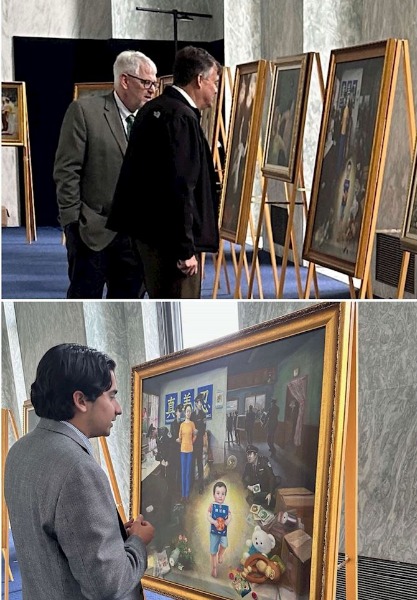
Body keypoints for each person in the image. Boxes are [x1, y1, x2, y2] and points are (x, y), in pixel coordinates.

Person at [4, 343, 155, 599]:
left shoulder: (19, 451)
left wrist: (115, 538)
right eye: (111, 396)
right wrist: (138, 541)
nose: (118, 408)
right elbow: (107, 585)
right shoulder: (77, 470)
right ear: (81, 400)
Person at [108, 46, 222, 298]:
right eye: (214, 82)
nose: (216, 89)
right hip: (170, 245)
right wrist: (185, 249)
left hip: (145, 237)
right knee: (182, 303)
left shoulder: (152, 109)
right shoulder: (181, 117)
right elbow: (180, 188)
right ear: (199, 80)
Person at [54, 51, 157, 299]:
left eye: (154, 83)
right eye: (146, 82)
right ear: (124, 80)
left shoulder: (154, 119)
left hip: (137, 240)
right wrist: (72, 225)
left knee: (130, 303)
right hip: (93, 233)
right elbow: (66, 170)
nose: (152, 89)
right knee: (84, 297)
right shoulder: (84, 112)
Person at [206, 481, 231, 578]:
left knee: (224, 544)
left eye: (223, 494)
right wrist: (214, 521)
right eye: (218, 493)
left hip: (223, 532)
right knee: (213, 552)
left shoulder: (226, 507)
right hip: (214, 532)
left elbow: (230, 515)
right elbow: (208, 515)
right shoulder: (212, 506)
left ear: (225, 495)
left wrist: (227, 521)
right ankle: (214, 568)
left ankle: (220, 554)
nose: (220, 496)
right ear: (213, 495)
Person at [176, 403, 197, 502]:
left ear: (191, 413)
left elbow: (195, 436)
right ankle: (183, 495)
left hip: (190, 451)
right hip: (182, 451)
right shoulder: (181, 425)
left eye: (190, 411)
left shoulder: (192, 424)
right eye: (187, 411)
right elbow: (179, 438)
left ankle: (187, 495)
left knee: (188, 473)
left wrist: (190, 443)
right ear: (185, 412)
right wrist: (181, 442)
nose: (188, 413)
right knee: (183, 473)